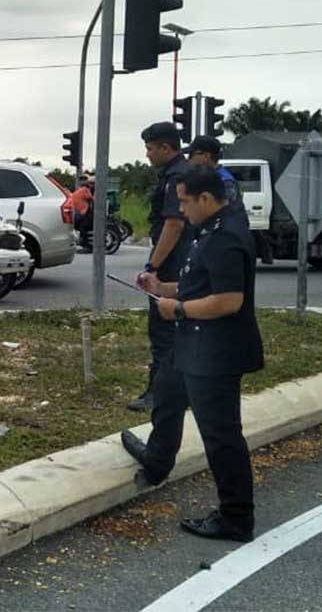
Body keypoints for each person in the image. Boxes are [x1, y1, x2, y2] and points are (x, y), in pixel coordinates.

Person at [122, 165, 263, 542]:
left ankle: (236, 517)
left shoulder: (227, 237)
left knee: (221, 436)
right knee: (166, 397)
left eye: (185, 201)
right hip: (193, 345)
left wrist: (179, 310)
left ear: (205, 198)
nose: (181, 210)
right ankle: (155, 461)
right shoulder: (210, 230)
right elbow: (197, 283)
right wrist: (162, 287)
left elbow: (229, 300)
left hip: (216, 352)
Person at [127, 122, 193, 413]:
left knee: (163, 329)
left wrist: (152, 266)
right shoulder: (181, 172)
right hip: (183, 259)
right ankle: (182, 387)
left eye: (150, 148)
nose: (147, 154)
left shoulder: (176, 175)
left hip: (172, 262)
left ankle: (159, 392)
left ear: (166, 147)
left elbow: (174, 224)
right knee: (179, 327)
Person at [183, 135, 243, 208]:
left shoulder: (225, 181)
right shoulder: (205, 177)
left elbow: (228, 212)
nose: (189, 160)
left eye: (191, 155)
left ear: (206, 156)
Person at [70, 176, 95, 249]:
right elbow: (91, 198)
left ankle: (85, 244)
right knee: (83, 227)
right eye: (91, 184)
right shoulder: (85, 190)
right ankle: (85, 244)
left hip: (79, 213)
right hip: (82, 213)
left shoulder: (79, 190)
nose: (91, 185)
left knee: (83, 227)